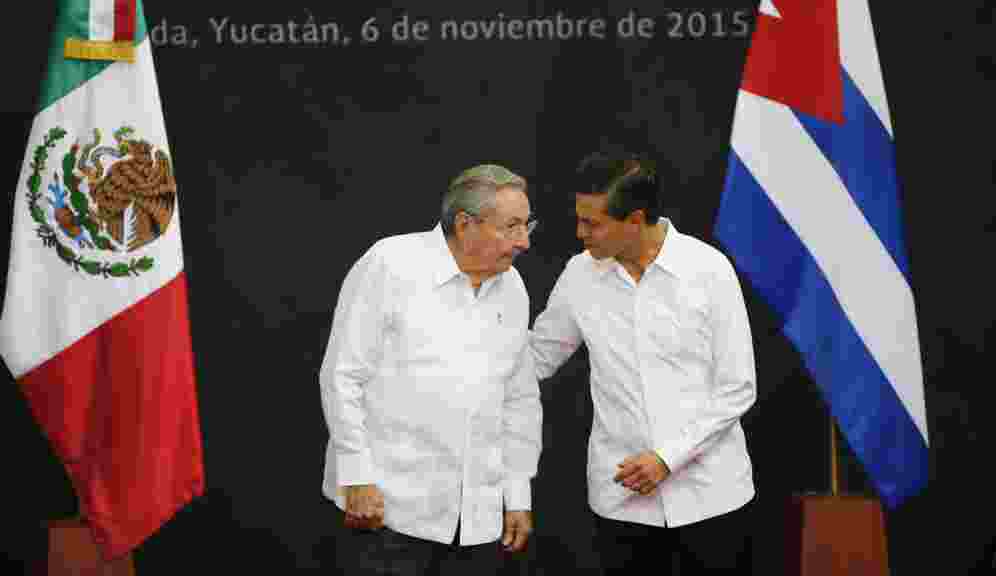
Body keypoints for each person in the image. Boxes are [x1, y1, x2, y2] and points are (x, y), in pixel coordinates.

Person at [530, 152, 757, 574]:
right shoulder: (579, 275)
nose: (580, 233)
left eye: (592, 223)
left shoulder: (709, 270)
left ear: (635, 220)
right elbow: (537, 358)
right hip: (621, 503)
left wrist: (666, 458)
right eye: (579, 219)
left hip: (712, 499)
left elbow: (738, 387)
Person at [318, 164, 543, 575]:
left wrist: (517, 494)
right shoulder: (391, 263)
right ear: (465, 224)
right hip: (387, 512)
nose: (524, 242)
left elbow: (520, 399)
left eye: (527, 225)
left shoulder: (513, 288)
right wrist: (356, 477)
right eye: (511, 227)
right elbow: (342, 376)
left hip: (477, 522)